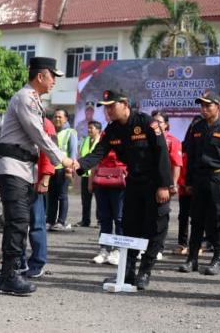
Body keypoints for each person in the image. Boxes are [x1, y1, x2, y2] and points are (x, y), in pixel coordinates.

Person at [0, 57, 74, 295]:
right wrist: (63, 159)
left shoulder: (33, 100)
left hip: (23, 168)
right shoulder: (25, 98)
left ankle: (9, 274)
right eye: (53, 76)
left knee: (19, 222)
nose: (54, 82)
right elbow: (38, 133)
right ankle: (10, 275)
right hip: (14, 167)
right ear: (40, 76)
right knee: (17, 222)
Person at [77, 89, 172, 291]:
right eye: (106, 108)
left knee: (156, 228)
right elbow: (99, 152)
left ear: (125, 104)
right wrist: (79, 165)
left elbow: (162, 152)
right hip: (134, 183)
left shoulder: (146, 123)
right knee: (130, 228)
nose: (109, 111)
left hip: (155, 183)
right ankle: (128, 272)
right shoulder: (112, 130)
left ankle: (145, 271)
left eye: (112, 106)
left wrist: (164, 185)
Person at [177, 92, 220, 276]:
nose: (204, 109)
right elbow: (190, 155)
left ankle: (217, 260)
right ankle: (192, 258)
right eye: (202, 105)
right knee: (197, 219)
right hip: (199, 179)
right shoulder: (197, 127)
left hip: (218, 179)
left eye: (208, 105)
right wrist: (189, 181)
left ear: (218, 106)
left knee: (219, 219)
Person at [152, 109, 183, 261]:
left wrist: (173, 184)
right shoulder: (147, 138)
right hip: (148, 184)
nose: (155, 124)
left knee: (161, 216)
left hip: (164, 185)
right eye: (153, 121)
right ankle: (145, 246)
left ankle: (158, 248)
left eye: (159, 122)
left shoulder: (173, 141)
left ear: (166, 125)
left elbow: (176, 165)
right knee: (146, 216)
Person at [90, 147, 127, 266]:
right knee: (104, 218)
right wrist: (91, 180)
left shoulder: (128, 137)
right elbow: (96, 158)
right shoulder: (104, 138)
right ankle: (104, 250)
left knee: (120, 218)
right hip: (101, 180)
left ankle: (118, 250)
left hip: (121, 180)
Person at [47, 109, 77, 231]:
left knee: (62, 196)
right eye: (55, 116)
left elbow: (73, 153)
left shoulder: (70, 132)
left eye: (60, 117)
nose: (57, 119)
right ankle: (50, 221)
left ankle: (61, 222)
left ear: (66, 119)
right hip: (51, 168)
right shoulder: (50, 132)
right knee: (51, 196)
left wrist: (70, 170)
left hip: (63, 169)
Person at [76, 120, 102, 227]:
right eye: (88, 128)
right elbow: (81, 154)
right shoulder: (85, 140)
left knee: (100, 199)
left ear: (98, 130)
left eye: (91, 128)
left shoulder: (102, 141)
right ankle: (85, 220)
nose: (89, 130)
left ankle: (100, 221)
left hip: (98, 175)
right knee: (85, 200)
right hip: (86, 174)